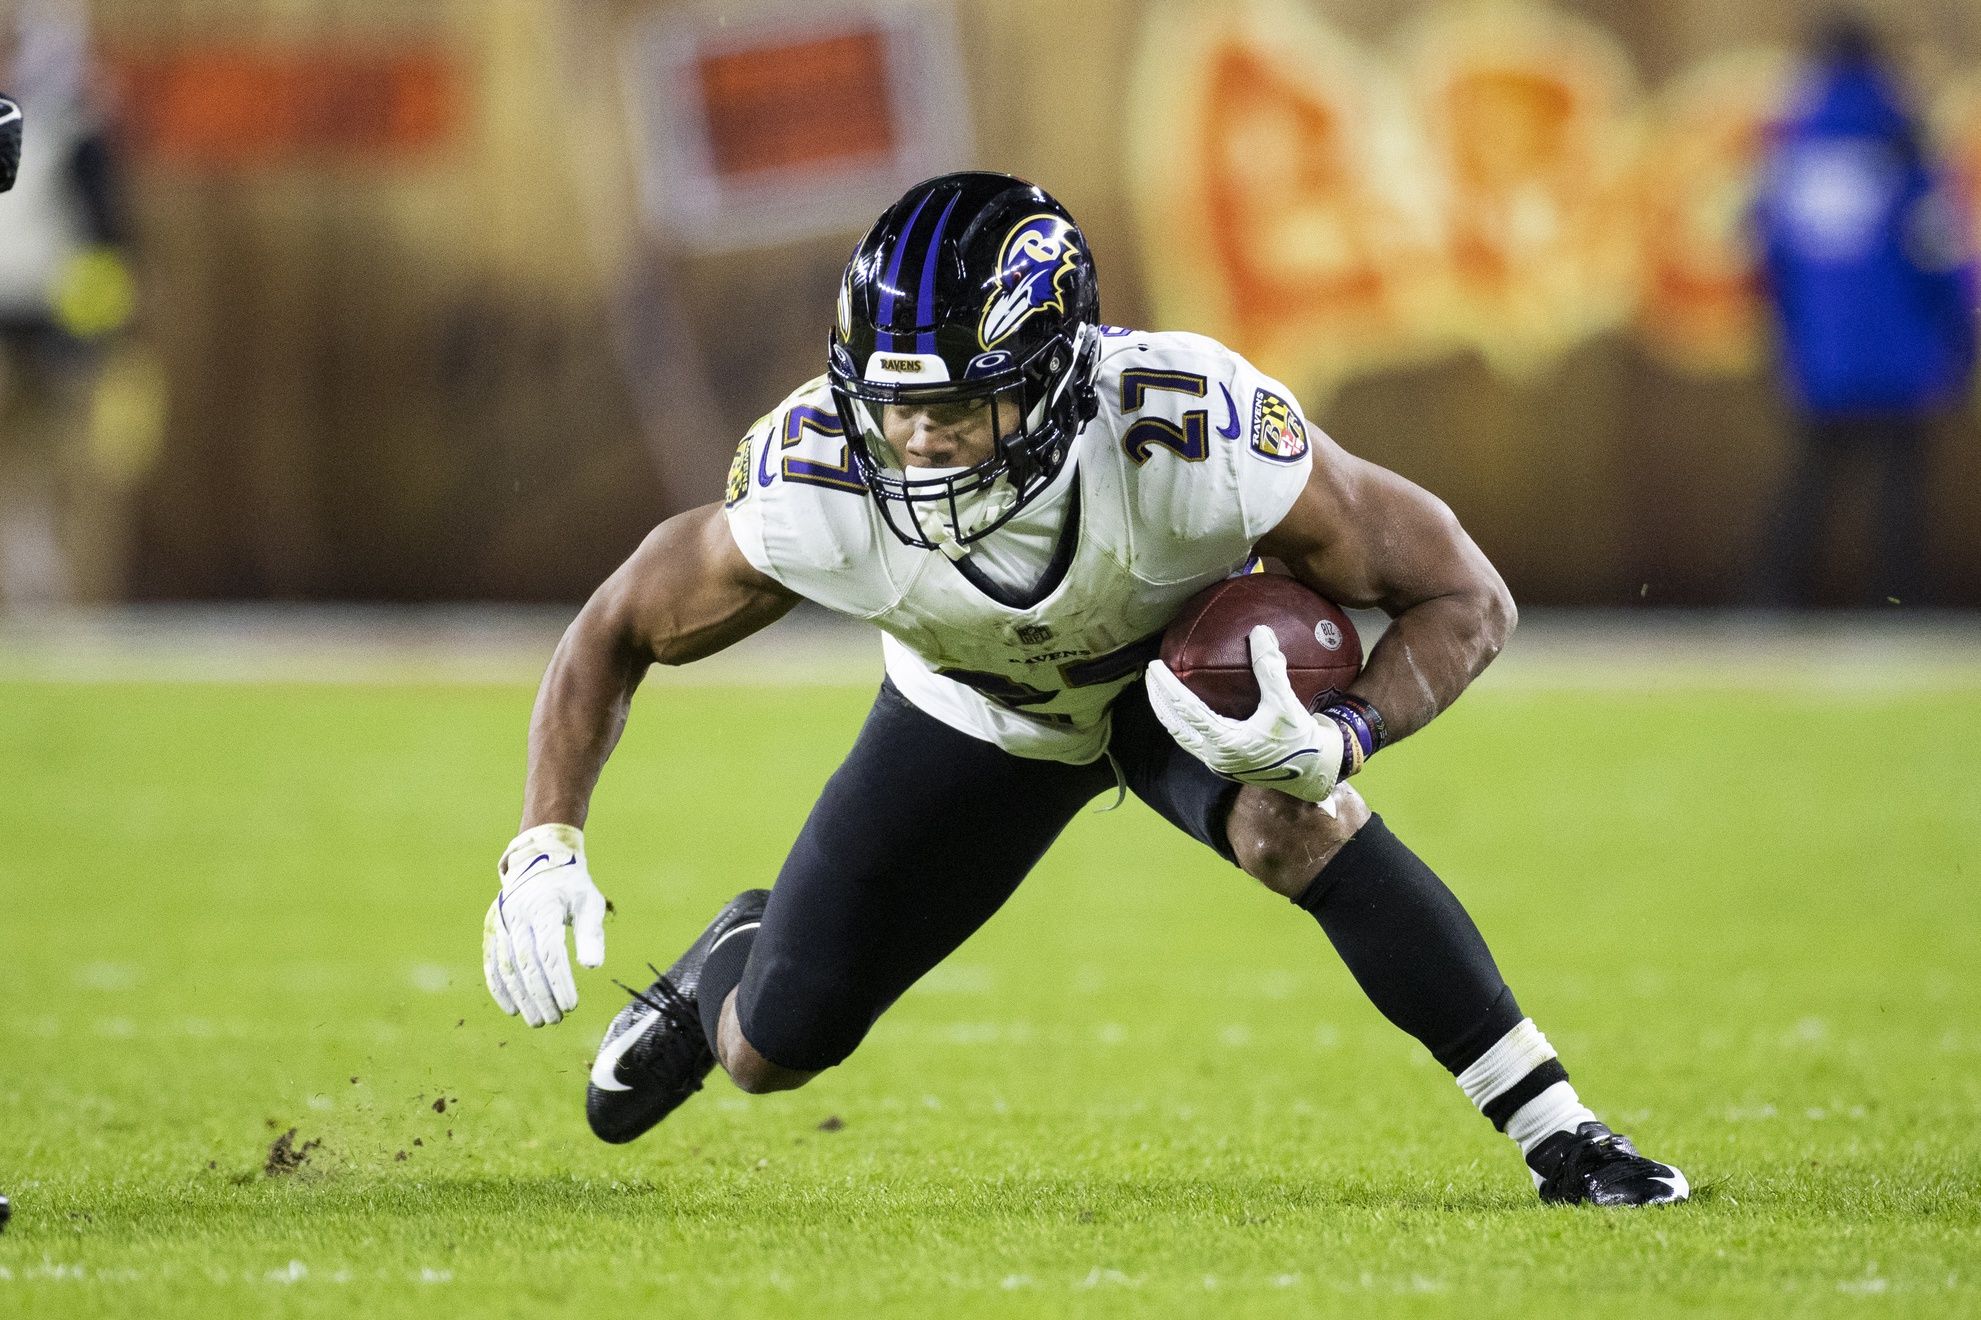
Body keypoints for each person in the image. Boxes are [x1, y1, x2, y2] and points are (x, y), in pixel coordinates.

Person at [481, 172, 1688, 1206]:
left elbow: (1465, 595)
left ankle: (1562, 1137)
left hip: (1177, 680)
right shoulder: (813, 486)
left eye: (954, 405)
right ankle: (730, 966)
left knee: (1294, 823)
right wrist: (544, 841)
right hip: (977, 713)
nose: (917, 444)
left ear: (1055, 379)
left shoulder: (1192, 433)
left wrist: (1343, 735)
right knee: (767, 1056)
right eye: (893, 406)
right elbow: (615, 628)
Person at [1753, 14, 1976, 607]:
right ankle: (1898, 603)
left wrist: (1791, 338)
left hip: (1824, 356)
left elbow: (1770, 257)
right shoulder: (1903, 142)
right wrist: (1960, 334)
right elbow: (1938, 249)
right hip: (1903, 353)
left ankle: (1772, 598)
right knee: (1899, 490)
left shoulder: (1792, 149)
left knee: (1811, 484)